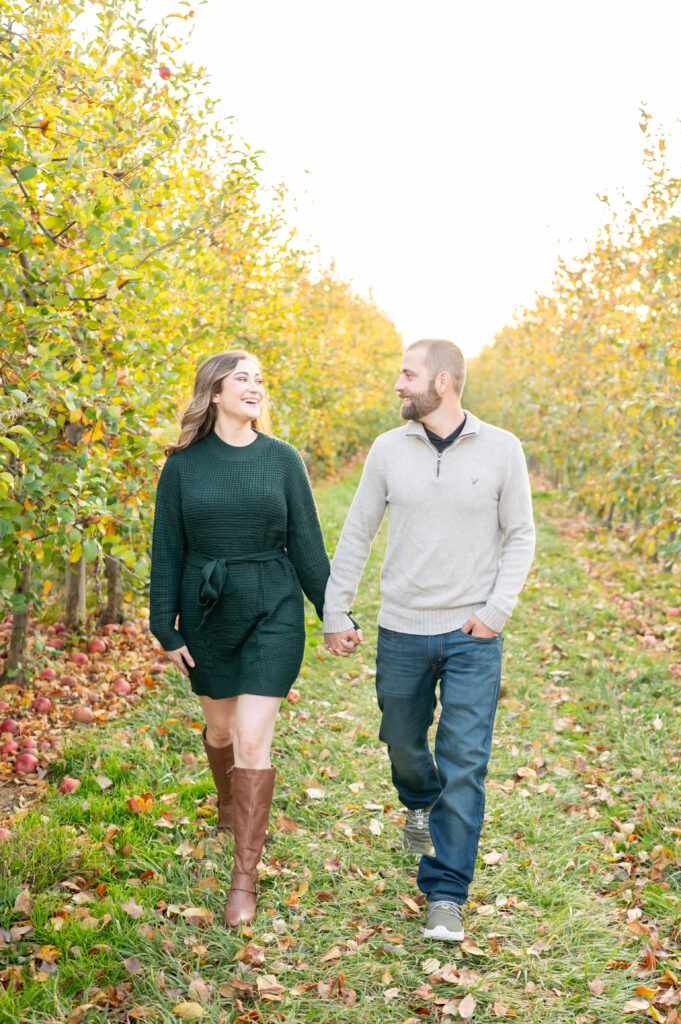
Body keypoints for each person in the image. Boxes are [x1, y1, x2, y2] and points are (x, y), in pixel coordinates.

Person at [323, 338, 535, 942]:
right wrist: (337, 609)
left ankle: (445, 893)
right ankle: (418, 800)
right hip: (402, 629)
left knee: (465, 762)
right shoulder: (389, 449)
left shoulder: (501, 450)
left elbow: (521, 535)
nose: (399, 384)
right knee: (403, 742)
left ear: (443, 382)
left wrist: (495, 613)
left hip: (473, 635)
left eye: (408, 374)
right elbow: (358, 530)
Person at [149, 350, 356, 927]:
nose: (255, 387)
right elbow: (167, 548)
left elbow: (309, 548)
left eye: (261, 379)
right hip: (209, 610)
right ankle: (228, 801)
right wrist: (163, 624)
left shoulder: (282, 460)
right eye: (243, 378)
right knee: (219, 728)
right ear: (214, 393)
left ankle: (244, 877)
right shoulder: (183, 466)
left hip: (273, 604)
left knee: (250, 738)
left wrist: (334, 614)